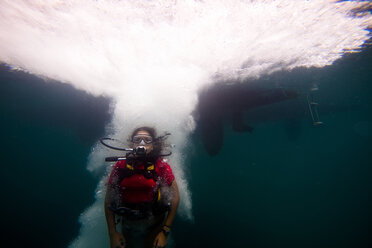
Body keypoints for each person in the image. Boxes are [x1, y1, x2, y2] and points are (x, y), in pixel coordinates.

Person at [105, 127, 180, 248]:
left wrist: (164, 231)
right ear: (132, 143)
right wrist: (112, 234)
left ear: (153, 145)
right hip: (128, 224)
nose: (142, 143)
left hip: (154, 223)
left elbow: (175, 198)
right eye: (137, 139)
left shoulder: (161, 165)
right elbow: (108, 199)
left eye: (147, 140)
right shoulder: (121, 165)